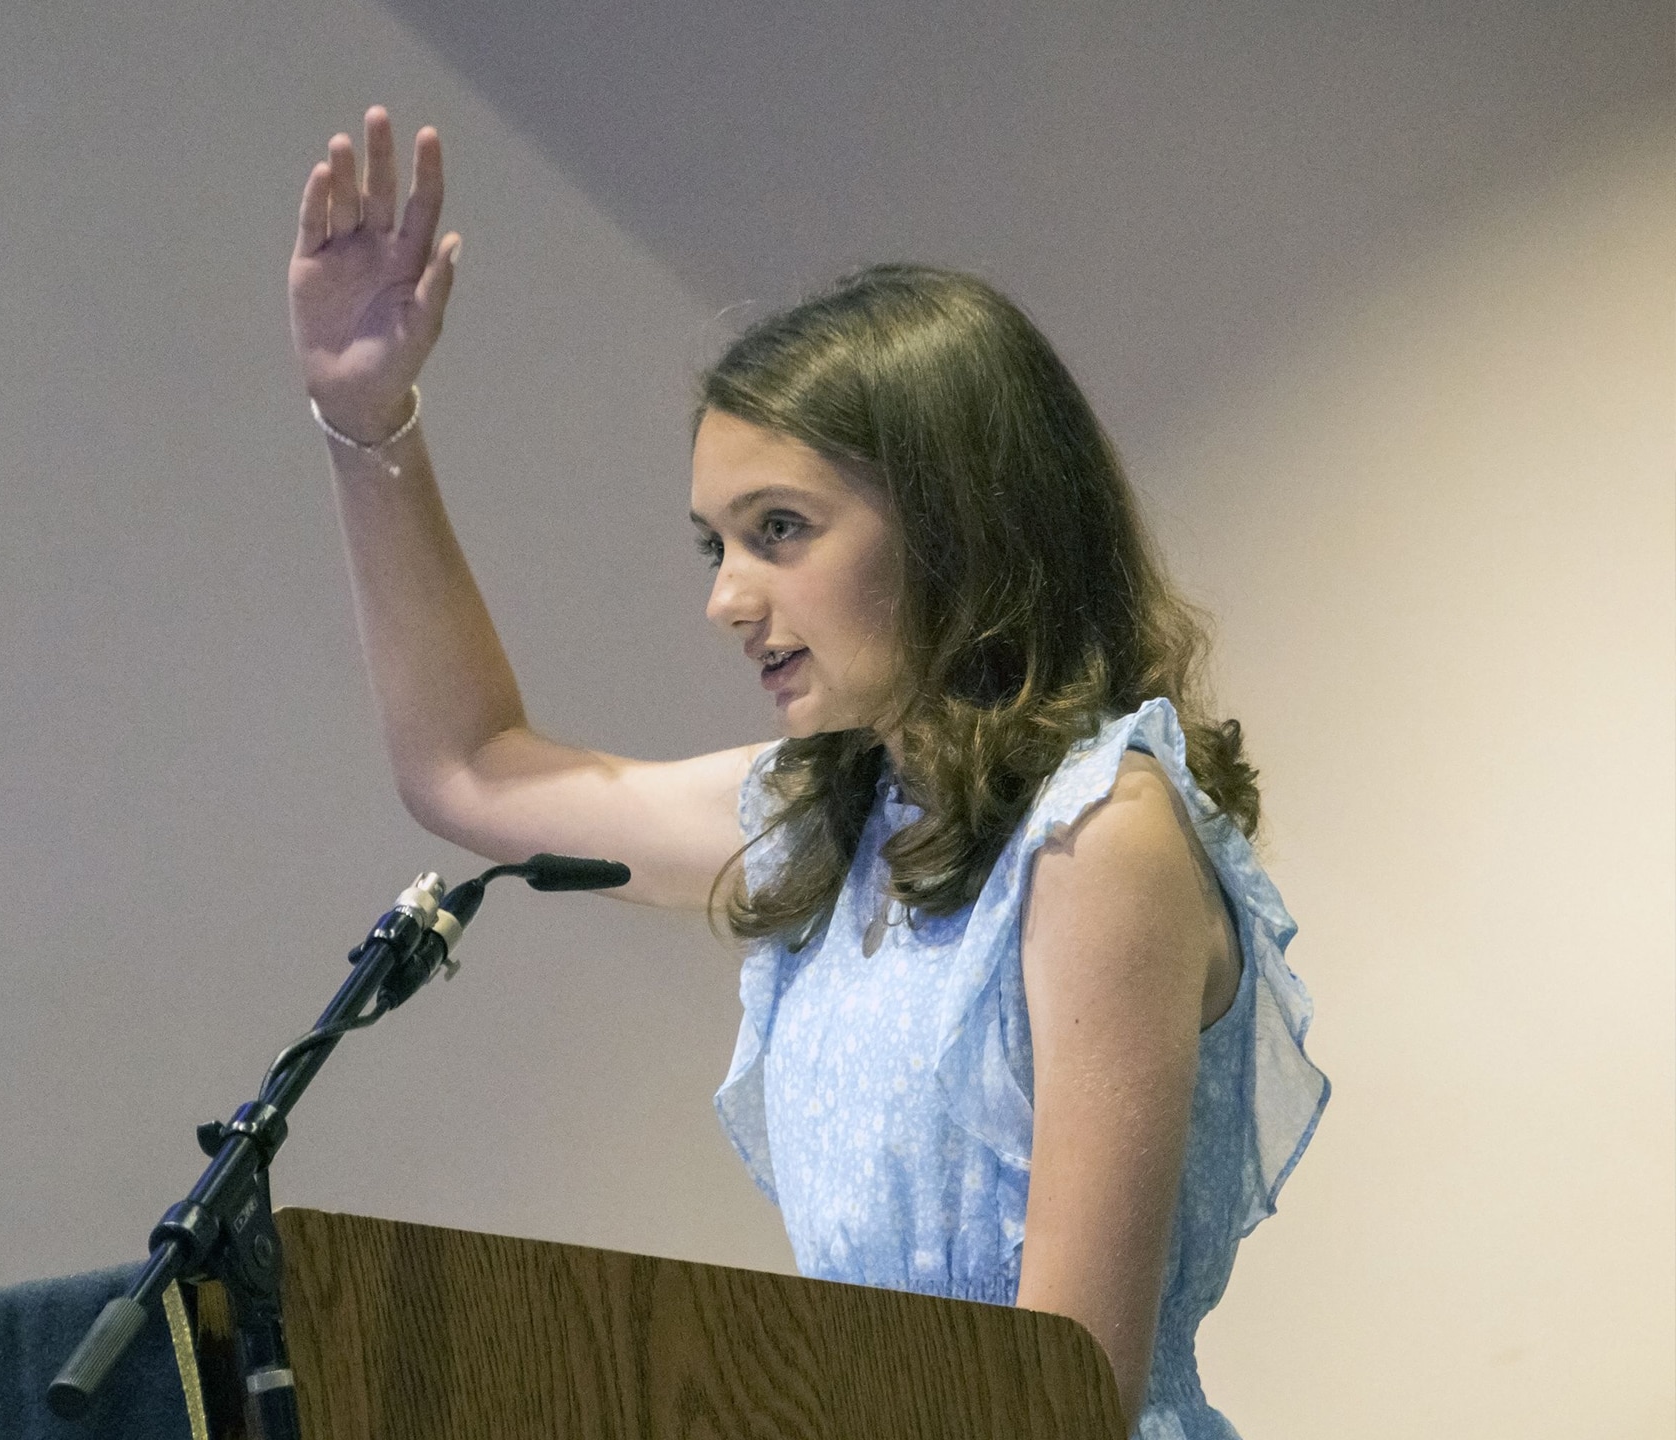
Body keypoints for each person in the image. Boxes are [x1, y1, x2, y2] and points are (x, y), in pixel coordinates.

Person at [287, 107, 1328, 1440]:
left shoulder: (1100, 835)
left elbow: (1061, 1401)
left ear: (959, 518)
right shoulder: (833, 813)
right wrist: (366, 422)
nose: (730, 597)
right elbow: (468, 770)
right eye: (716, 545)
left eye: (780, 531)